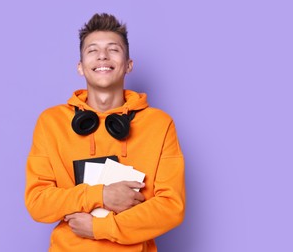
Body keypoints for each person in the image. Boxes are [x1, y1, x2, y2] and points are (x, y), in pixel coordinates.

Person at [25, 13, 185, 251]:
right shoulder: (51, 122)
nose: (102, 56)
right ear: (80, 67)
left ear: (129, 65)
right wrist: (100, 195)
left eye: (113, 49)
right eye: (92, 50)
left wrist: (101, 228)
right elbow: (38, 203)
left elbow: (171, 207)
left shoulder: (160, 124)